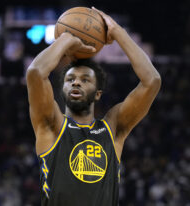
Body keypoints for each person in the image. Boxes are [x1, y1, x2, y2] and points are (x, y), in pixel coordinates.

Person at [26, 7, 161, 206]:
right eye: (70, 79)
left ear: (98, 93)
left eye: (85, 79)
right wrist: (66, 38)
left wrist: (117, 32)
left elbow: (152, 81)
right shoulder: (51, 125)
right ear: (62, 90)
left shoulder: (113, 128)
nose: (76, 82)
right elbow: (36, 73)